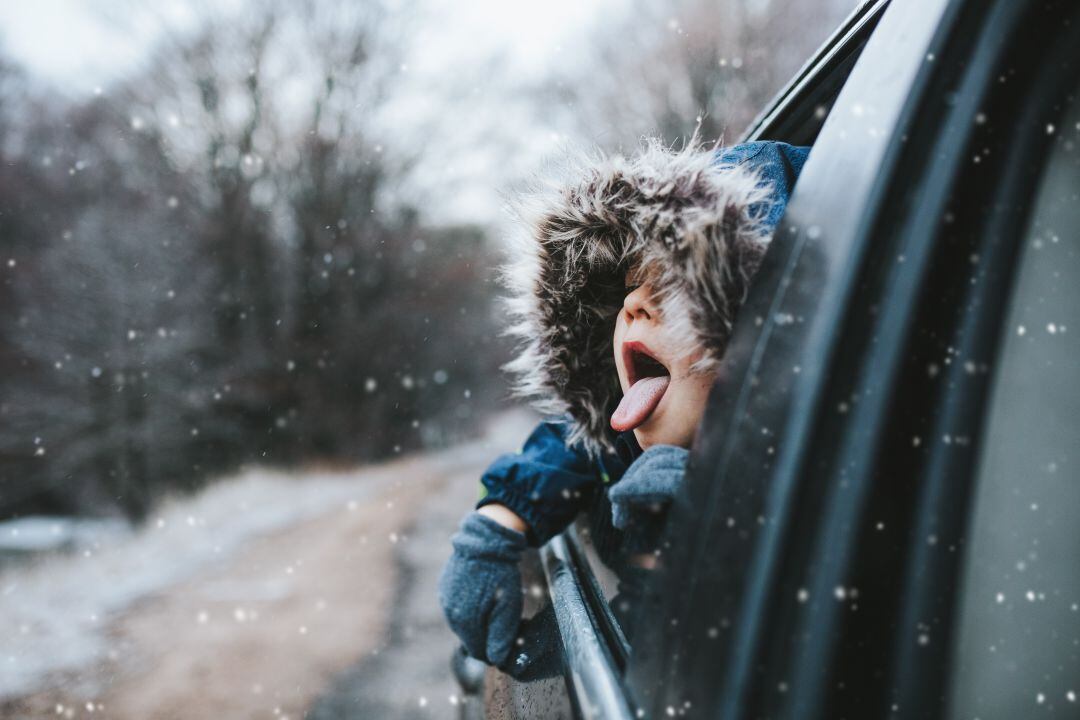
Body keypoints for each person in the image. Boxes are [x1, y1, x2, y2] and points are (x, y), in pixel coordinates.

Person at [438, 138, 810, 674]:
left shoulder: (831, 485)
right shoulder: (625, 436)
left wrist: (681, 535)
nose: (633, 303)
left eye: (680, 286)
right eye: (633, 284)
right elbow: (579, 441)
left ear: (769, 334)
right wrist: (499, 519)